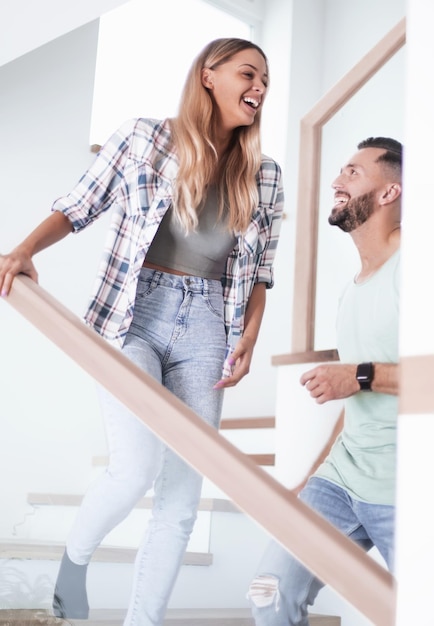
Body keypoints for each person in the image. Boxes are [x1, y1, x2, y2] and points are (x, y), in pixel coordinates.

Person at [0, 38, 284, 626]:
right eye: (248, 74)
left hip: (210, 325)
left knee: (182, 501)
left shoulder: (266, 174)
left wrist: (250, 336)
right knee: (133, 469)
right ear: (209, 75)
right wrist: (23, 249)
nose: (259, 88)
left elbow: (259, 273)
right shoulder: (143, 139)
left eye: (265, 81)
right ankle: (74, 563)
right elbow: (79, 205)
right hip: (133, 313)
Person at [247, 136, 402, 626]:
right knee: (268, 593)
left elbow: (364, 382)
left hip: (409, 487)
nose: (337, 181)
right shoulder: (352, 290)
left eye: (353, 173)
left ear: (388, 192)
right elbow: (358, 402)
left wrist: (357, 376)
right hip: (342, 478)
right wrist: (310, 480)